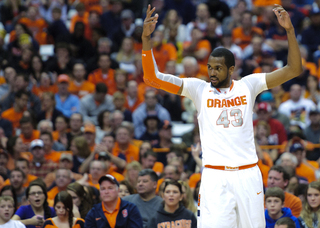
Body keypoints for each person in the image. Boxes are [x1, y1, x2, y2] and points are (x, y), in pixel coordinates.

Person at [141, 4, 303, 227]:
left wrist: (290, 31)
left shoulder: (249, 85)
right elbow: (152, 78)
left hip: (247, 174)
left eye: (218, 68)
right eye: (209, 67)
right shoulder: (199, 89)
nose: (212, 73)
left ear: (231, 68)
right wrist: (146, 40)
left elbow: (293, 69)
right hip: (215, 176)